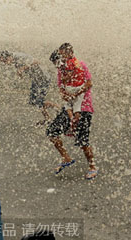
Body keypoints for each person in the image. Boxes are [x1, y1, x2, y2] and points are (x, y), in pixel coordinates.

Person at [46, 44, 97, 180]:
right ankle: (66, 158)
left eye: (63, 54)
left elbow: (89, 83)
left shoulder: (81, 66)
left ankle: (92, 166)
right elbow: (61, 89)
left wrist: (75, 95)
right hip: (68, 105)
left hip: (84, 106)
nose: (61, 57)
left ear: (69, 53)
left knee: (82, 140)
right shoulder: (61, 70)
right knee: (52, 132)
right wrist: (65, 96)